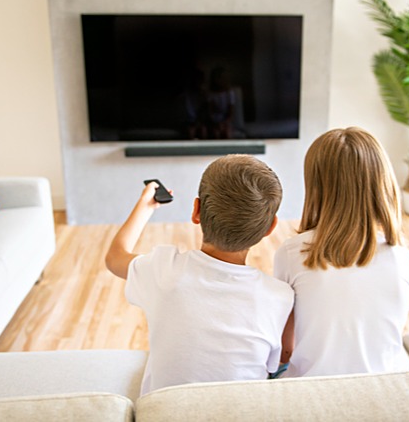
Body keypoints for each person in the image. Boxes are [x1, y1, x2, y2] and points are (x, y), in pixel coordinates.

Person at [105, 155, 294, 395]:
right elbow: (279, 361)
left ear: (196, 211)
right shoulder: (280, 297)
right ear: (270, 227)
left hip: (164, 410)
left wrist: (145, 207)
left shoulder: (163, 270)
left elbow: (114, 257)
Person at [274, 127, 409, 378]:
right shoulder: (401, 256)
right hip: (384, 385)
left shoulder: (293, 252)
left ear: (316, 187)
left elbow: (284, 350)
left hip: (311, 390)